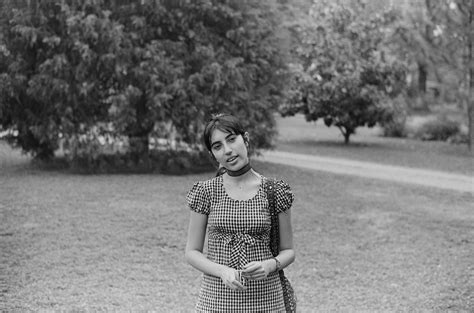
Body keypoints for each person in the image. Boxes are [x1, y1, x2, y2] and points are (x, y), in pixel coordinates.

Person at [185, 113, 296, 312]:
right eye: (217, 146)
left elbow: (288, 251)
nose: (228, 150)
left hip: (267, 302)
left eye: (231, 139)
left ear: (245, 139)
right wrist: (222, 271)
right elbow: (192, 252)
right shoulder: (205, 192)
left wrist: (269, 265)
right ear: (213, 155)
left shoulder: (275, 191)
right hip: (215, 301)